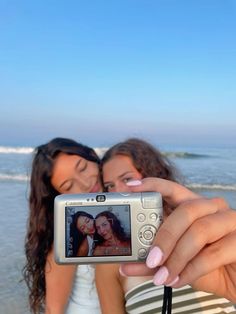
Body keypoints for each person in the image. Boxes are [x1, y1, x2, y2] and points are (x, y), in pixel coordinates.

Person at [95, 138, 236, 313]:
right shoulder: (111, 259)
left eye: (127, 179)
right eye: (109, 186)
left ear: (153, 174)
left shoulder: (204, 229)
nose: (118, 192)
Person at [23, 137, 102, 314]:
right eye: (68, 185)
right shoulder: (68, 237)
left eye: (82, 167)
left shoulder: (119, 214)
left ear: (91, 156)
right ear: (60, 197)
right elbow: (53, 309)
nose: (85, 184)